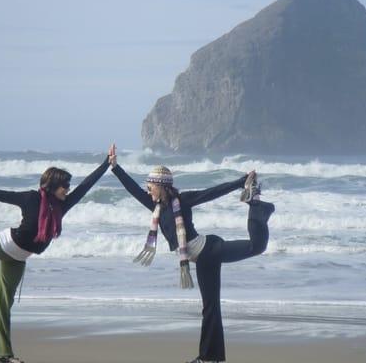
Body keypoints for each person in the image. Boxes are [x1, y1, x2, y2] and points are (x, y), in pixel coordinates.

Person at [0, 149, 112, 363]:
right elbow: (2, 195)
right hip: (5, 244)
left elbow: (86, 186)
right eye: (64, 185)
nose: (68, 189)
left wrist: (106, 164)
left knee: (2, 303)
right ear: (52, 186)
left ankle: (0, 356)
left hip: (19, 257)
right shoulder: (31, 198)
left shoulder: (61, 206)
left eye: (68, 185)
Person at [108, 146, 274, 363]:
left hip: (209, 250)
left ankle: (257, 205)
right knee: (211, 307)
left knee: (256, 247)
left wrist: (240, 182)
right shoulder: (155, 206)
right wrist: (115, 167)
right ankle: (211, 358)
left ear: (161, 186)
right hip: (204, 257)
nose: (148, 191)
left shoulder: (182, 201)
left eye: (150, 187)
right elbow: (132, 189)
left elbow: (211, 192)